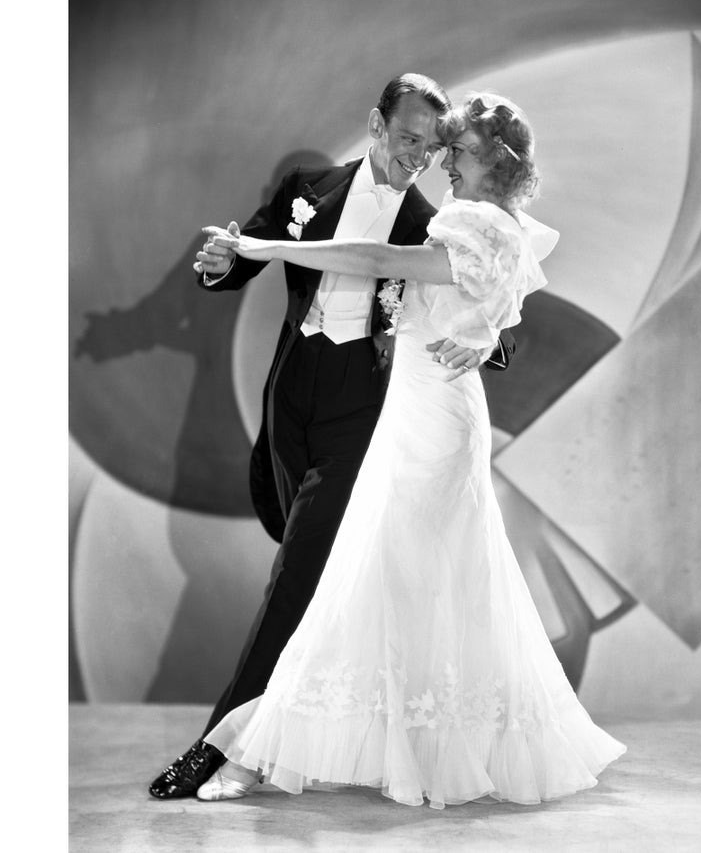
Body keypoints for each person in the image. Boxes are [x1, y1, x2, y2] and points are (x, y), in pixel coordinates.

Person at [193, 92, 626, 809]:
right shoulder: (506, 227)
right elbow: (492, 304)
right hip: (433, 414)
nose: (441, 163)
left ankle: (258, 749)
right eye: (435, 146)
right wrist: (483, 331)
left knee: (361, 577)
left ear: (492, 160)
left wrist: (267, 248)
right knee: (423, 579)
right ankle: (419, 741)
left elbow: (375, 258)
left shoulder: (463, 220)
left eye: (454, 151)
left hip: (427, 420)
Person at [148, 74, 516, 800]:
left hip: (365, 413)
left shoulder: (432, 222)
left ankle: (218, 748)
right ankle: (323, 730)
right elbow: (245, 252)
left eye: (428, 147)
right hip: (291, 400)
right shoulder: (306, 188)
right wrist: (223, 263)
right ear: (376, 127)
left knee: (296, 577)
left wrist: (488, 345)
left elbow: (492, 300)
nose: (415, 159)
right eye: (406, 139)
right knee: (308, 567)